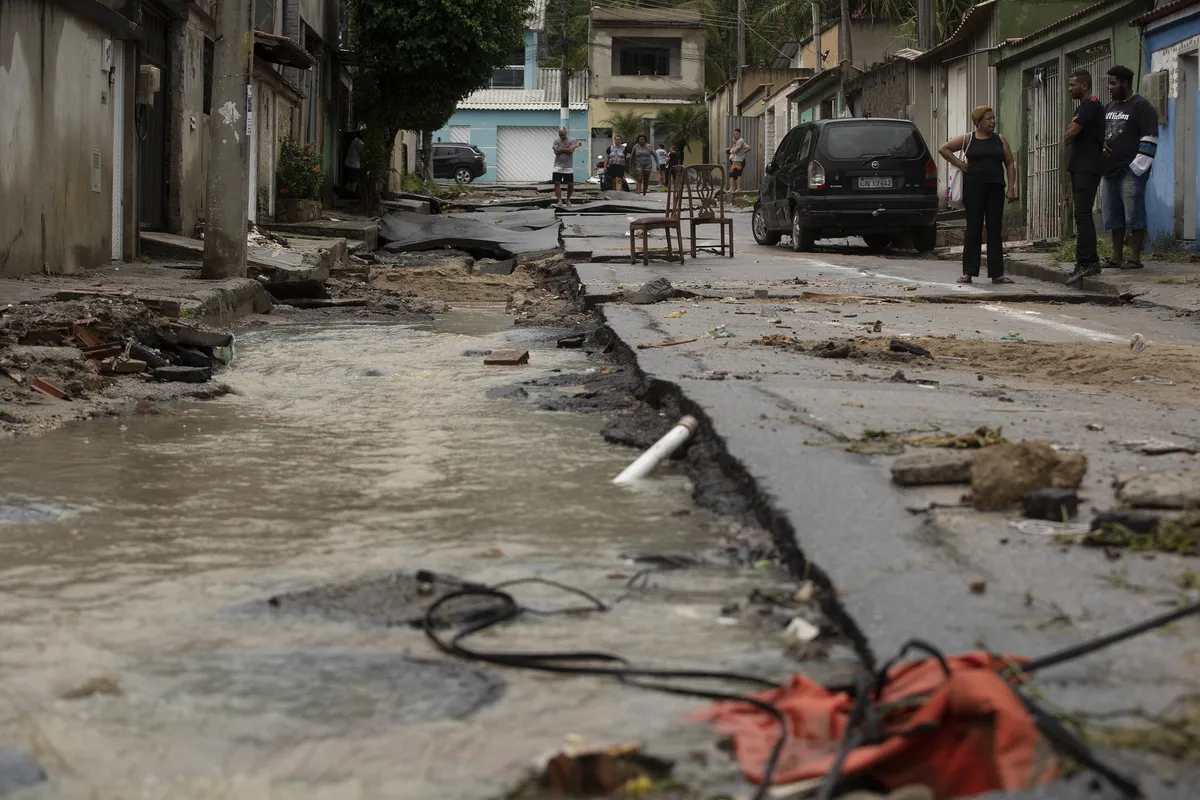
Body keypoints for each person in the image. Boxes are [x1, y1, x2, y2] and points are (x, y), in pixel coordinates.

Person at [939, 106, 1019, 284]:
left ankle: (996, 273)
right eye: (988, 119)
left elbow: (1010, 163)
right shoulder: (969, 139)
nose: (992, 122)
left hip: (995, 189)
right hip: (974, 190)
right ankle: (969, 272)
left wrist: (1011, 187)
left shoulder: (1000, 140)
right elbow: (944, 149)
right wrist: (960, 164)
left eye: (993, 118)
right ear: (978, 123)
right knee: (973, 229)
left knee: (994, 229)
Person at [1100, 64, 1159, 271]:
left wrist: (1137, 168)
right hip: (1109, 171)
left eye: (1113, 83)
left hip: (1131, 172)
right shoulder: (1109, 108)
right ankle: (1116, 257)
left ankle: (1135, 258)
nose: (1110, 87)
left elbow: (1150, 138)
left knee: (1134, 215)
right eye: (1109, 83)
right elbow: (1101, 135)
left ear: (1125, 83)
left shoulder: (1142, 106)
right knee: (1113, 216)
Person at [1064, 69, 1105, 285]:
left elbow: (1070, 134)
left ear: (1084, 86)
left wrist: (1071, 131)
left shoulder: (1090, 106)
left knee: (1082, 214)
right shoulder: (1085, 107)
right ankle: (1087, 262)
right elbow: (1071, 133)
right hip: (1082, 166)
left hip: (1087, 167)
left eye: (1073, 85)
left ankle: (1087, 262)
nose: (1070, 88)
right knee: (1081, 214)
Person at [551, 127, 578, 206]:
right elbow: (556, 151)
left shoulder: (572, 140)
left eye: (563, 135)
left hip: (568, 166)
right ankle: (559, 200)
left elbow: (571, 150)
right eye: (560, 135)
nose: (562, 137)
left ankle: (568, 199)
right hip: (557, 165)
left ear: (566, 133)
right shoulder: (556, 141)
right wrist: (566, 149)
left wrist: (561, 149)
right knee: (556, 182)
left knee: (570, 184)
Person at [344, 126, 365, 195]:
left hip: (348, 163)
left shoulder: (355, 140)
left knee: (350, 181)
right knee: (354, 182)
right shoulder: (360, 143)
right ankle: (351, 194)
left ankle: (345, 193)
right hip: (354, 165)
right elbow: (362, 154)